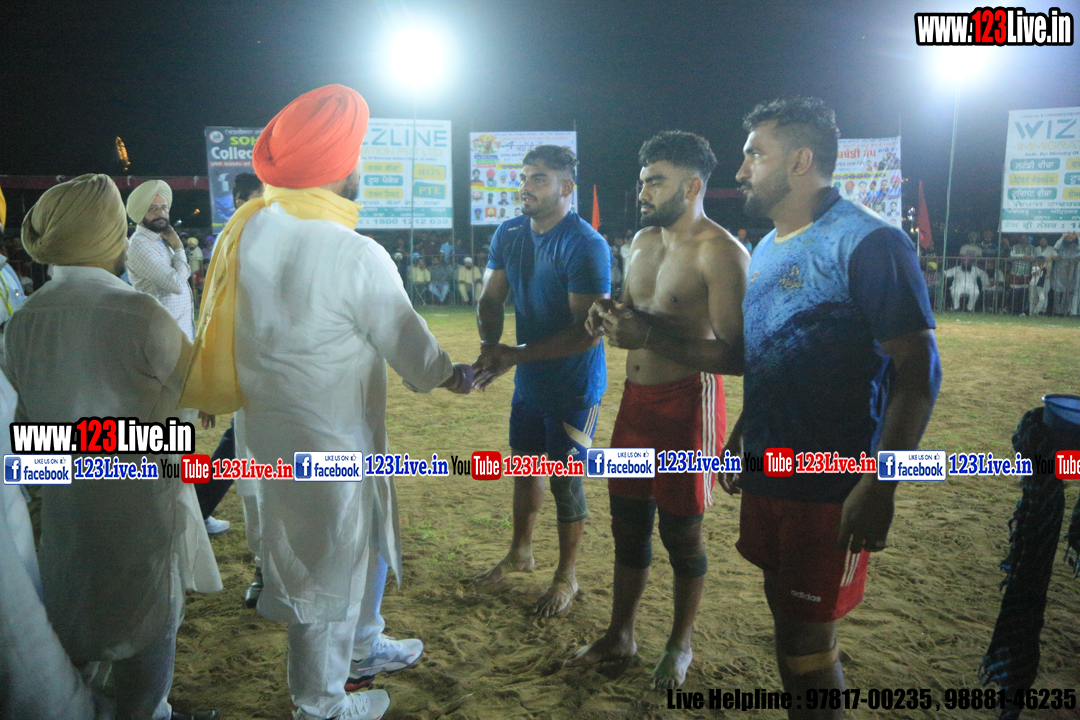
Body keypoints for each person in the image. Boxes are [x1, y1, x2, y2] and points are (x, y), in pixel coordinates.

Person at [181, 85, 473, 720]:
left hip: (268, 433)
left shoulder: (248, 231)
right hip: (329, 440)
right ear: (339, 164)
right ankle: (320, 704)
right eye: (357, 150)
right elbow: (413, 351)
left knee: (349, 547)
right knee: (325, 568)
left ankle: (364, 647)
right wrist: (455, 376)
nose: (361, 163)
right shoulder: (354, 251)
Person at [722, 99, 941, 720]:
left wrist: (880, 484)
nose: (741, 170)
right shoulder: (768, 246)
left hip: (830, 483)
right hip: (771, 469)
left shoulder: (870, 241)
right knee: (784, 615)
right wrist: (745, 428)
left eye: (755, 154)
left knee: (807, 645)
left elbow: (918, 372)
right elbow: (772, 351)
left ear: (800, 160)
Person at [8, 173, 222, 720]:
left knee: (78, 610)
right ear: (108, 236)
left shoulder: (24, 322)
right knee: (149, 622)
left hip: (66, 507)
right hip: (140, 500)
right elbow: (199, 393)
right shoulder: (137, 312)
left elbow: (26, 435)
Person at [567, 131, 748, 688]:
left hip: (688, 406)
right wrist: (607, 312)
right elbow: (635, 309)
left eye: (655, 182)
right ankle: (620, 633)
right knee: (626, 525)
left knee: (681, 533)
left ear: (691, 186)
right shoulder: (643, 241)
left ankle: (679, 643)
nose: (642, 191)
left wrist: (649, 335)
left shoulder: (722, 252)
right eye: (643, 180)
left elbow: (739, 355)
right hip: (635, 404)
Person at [471, 144, 611, 617]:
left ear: (566, 187)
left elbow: (587, 334)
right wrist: (490, 346)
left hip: (574, 387)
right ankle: (520, 553)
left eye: (538, 178)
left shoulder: (585, 244)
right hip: (529, 382)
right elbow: (490, 299)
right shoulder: (509, 232)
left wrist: (514, 355)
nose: (524, 187)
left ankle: (566, 574)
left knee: (565, 482)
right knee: (525, 468)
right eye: (523, 177)